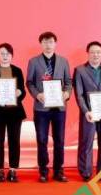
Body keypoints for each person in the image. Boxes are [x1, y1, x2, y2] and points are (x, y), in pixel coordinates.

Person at [26, 31, 72, 183]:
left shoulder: (63, 61)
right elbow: (29, 82)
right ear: (41, 44)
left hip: (59, 108)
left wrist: (67, 93)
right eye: (45, 42)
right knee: (42, 140)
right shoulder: (33, 61)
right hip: (41, 108)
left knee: (60, 140)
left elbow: (68, 82)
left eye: (51, 42)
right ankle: (43, 171)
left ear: (55, 43)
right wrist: (37, 94)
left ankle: (59, 170)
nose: (48, 45)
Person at [73, 41, 101, 181]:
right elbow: (79, 94)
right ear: (88, 53)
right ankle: (85, 172)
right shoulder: (80, 70)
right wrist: (86, 111)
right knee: (86, 143)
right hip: (89, 114)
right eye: (92, 52)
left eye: (98, 52)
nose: (95, 55)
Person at [0, 43, 26, 183]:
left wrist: (20, 92)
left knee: (14, 141)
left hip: (14, 111)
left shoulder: (17, 71)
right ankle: (0, 170)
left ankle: (13, 170)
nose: (5, 56)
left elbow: (23, 90)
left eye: (7, 54)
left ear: (12, 56)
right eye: (2, 53)